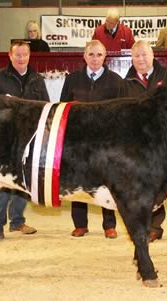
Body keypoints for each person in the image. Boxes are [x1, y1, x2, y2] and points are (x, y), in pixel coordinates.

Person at [120, 40, 167, 244]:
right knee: (150, 186)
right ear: (132, 59)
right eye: (136, 56)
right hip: (142, 144)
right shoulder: (125, 83)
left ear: (152, 55)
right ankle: (154, 228)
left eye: (144, 55)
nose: (141, 59)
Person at [0, 40, 50, 243]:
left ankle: (17, 221)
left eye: (25, 55)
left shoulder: (37, 78)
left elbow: (45, 105)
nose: (21, 58)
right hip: (4, 137)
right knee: (3, 182)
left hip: (29, 139)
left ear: (30, 56)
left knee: (24, 181)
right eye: (17, 55)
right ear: (10, 56)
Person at [60, 40, 123, 239]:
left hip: (105, 141)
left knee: (107, 182)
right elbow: (63, 107)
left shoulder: (115, 81)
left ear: (105, 57)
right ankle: (80, 225)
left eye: (99, 55)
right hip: (77, 141)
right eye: (91, 54)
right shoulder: (72, 79)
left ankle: (109, 225)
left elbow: (121, 111)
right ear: (84, 56)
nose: (95, 59)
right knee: (78, 181)